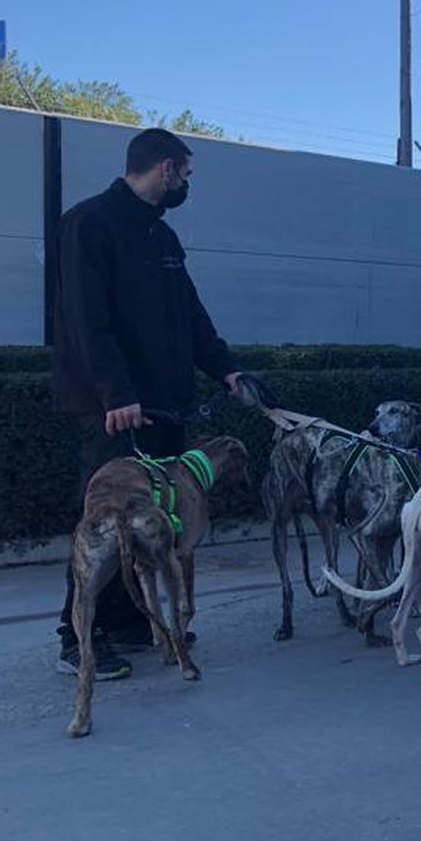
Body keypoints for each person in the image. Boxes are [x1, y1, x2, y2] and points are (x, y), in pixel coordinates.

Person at [51, 127, 243, 680]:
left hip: (163, 407)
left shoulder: (161, 237)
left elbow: (192, 316)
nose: (186, 183)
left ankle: (135, 620)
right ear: (165, 169)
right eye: (185, 173)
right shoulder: (89, 224)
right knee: (105, 523)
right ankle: (77, 636)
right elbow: (88, 318)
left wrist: (229, 370)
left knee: (157, 521)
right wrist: (117, 393)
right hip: (113, 407)